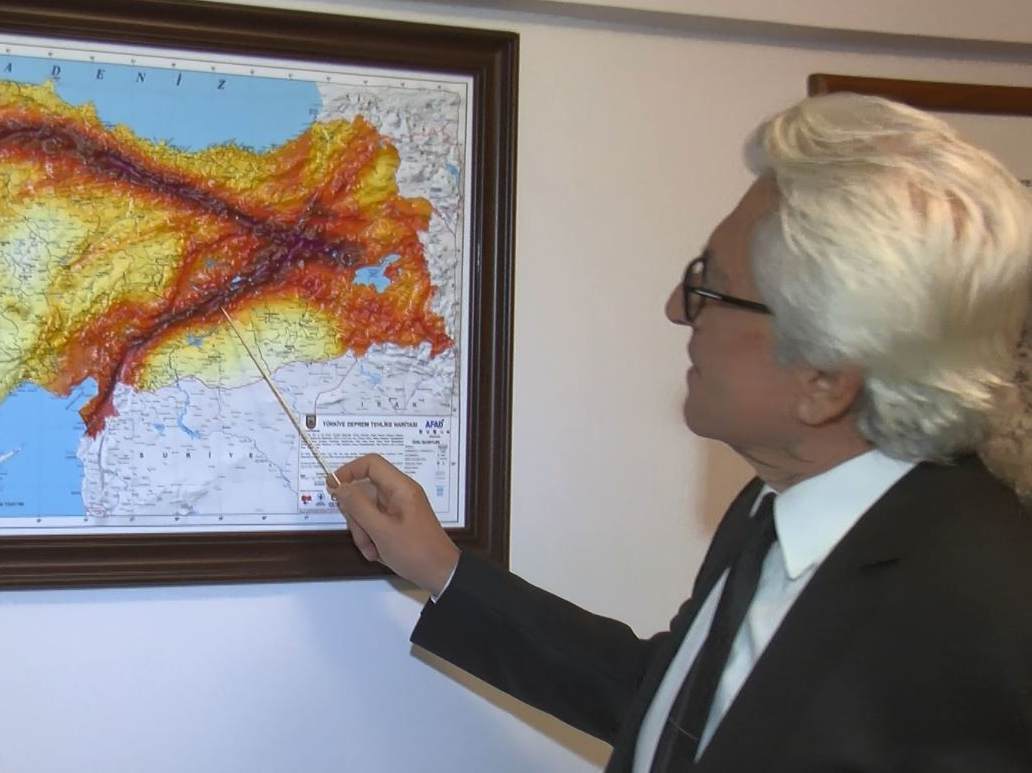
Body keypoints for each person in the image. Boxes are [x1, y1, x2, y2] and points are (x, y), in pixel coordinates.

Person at [328, 92, 1032, 772]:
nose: (675, 308)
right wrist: (442, 570)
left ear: (825, 377)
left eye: (710, 287)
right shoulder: (779, 506)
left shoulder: (980, 613)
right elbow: (674, 708)